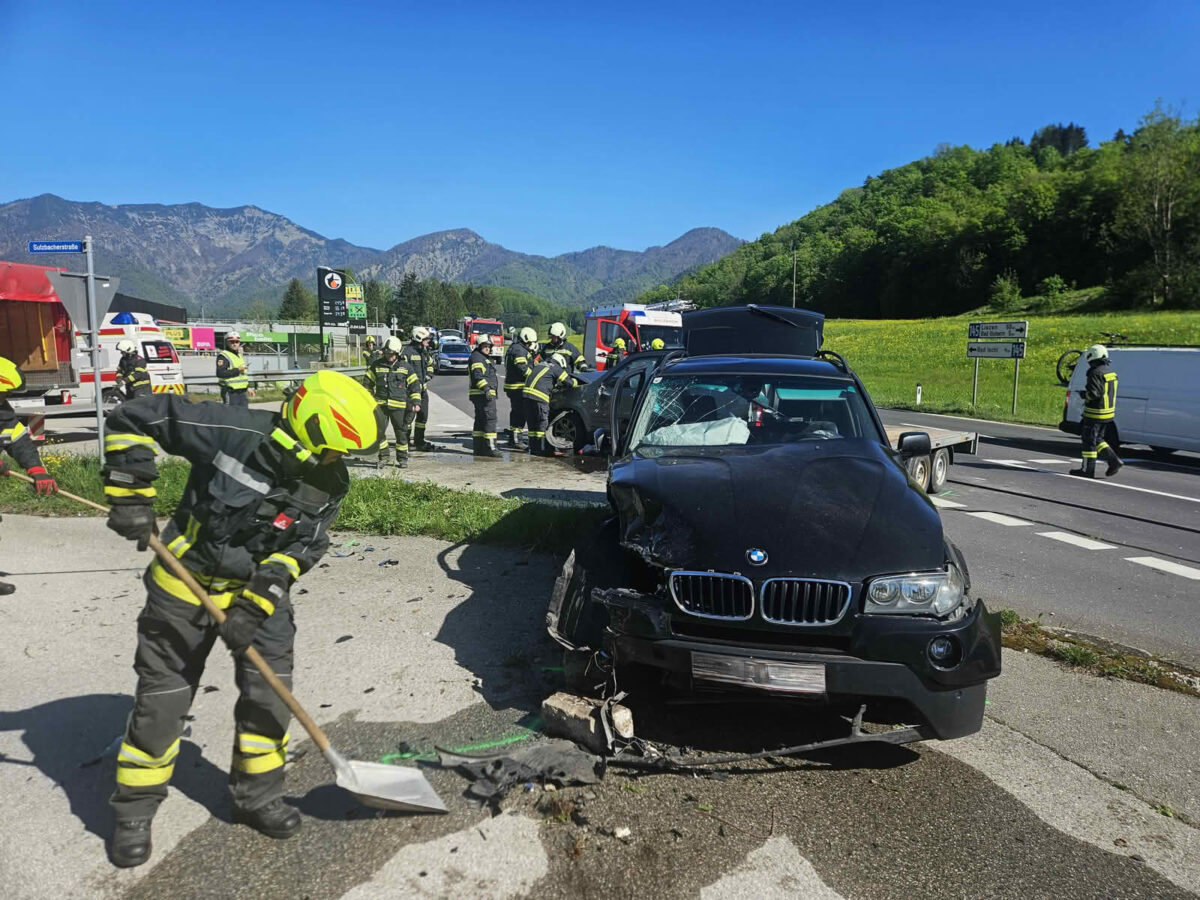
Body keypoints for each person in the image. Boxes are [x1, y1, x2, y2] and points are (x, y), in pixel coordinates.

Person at [100, 370, 383, 868]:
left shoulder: (330, 481)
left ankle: (256, 797)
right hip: (182, 585)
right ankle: (133, 812)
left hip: (255, 595)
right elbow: (130, 417)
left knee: (270, 695)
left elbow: (302, 547)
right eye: (338, 449)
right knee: (162, 703)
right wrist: (131, 496)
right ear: (312, 430)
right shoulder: (230, 429)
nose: (341, 462)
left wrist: (257, 603)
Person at [0, 357, 60, 595]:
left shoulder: (2, 413)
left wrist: (37, 470)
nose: (5, 400)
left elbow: (18, 441)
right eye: (3, 394)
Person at [1071, 344, 1123, 478]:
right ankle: (1113, 461)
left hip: (1095, 412)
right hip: (1107, 413)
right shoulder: (1109, 371)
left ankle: (1088, 470)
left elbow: (1094, 393)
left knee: (1089, 440)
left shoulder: (1095, 372)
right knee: (1098, 439)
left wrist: (1084, 395)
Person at [370, 336, 421, 469]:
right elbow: (367, 383)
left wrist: (416, 402)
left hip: (399, 406)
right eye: (387, 353)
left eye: (391, 354)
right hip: (381, 405)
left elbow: (415, 386)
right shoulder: (377, 365)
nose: (389, 356)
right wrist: (367, 399)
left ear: (397, 353)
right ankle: (384, 456)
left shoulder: (405, 367)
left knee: (401, 433)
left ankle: (402, 459)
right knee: (378, 432)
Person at [523, 351, 581, 457]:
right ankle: (542, 449)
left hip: (526, 397)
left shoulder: (540, 365)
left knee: (532, 425)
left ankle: (533, 448)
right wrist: (578, 382)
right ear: (560, 362)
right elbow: (569, 382)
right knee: (541, 425)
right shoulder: (555, 367)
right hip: (540, 398)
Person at [403, 327, 439, 451]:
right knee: (408, 418)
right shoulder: (407, 353)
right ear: (418, 338)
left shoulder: (424, 352)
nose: (428, 342)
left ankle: (419, 441)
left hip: (423, 391)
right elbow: (402, 371)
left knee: (423, 417)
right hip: (410, 392)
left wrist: (429, 375)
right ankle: (405, 442)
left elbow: (430, 363)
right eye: (426, 339)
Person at [504, 327, 536, 449]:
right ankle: (517, 441)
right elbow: (522, 367)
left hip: (514, 387)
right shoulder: (519, 350)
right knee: (520, 414)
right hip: (518, 387)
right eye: (530, 343)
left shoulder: (515, 347)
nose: (531, 345)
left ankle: (514, 438)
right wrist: (533, 376)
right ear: (526, 339)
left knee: (516, 413)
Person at [469, 339, 502, 458]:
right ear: (479, 346)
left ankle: (479, 448)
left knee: (480, 421)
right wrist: (487, 389)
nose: (487, 348)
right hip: (483, 395)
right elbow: (478, 376)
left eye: (489, 346)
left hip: (480, 394)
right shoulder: (478, 358)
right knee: (490, 420)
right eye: (485, 346)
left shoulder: (482, 357)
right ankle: (490, 448)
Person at [217, 333, 250, 406]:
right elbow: (220, 373)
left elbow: (242, 375)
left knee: (244, 414)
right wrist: (237, 370)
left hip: (242, 392)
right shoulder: (223, 356)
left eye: (237, 342)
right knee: (231, 415)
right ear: (228, 342)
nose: (234, 344)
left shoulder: (239, 356)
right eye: (232, 342)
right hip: (230, 392)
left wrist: (248, 388)